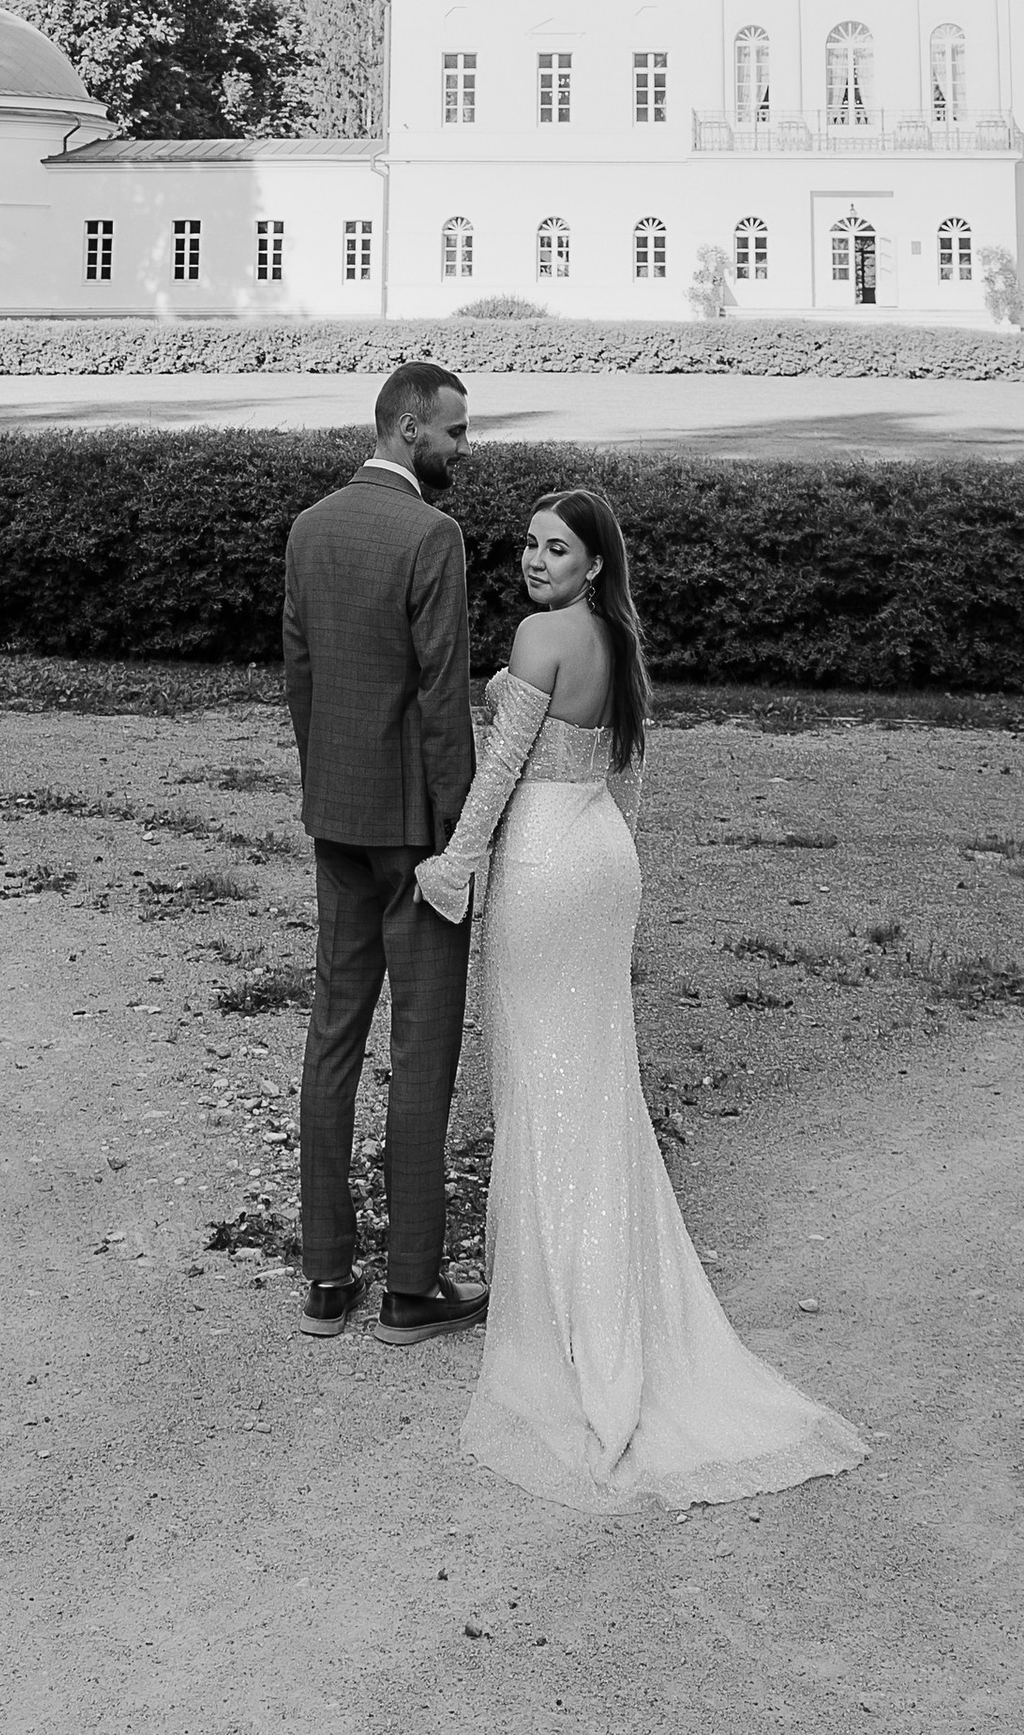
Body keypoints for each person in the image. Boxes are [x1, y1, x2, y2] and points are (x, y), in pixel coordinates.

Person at [415, 486, 867, 1509]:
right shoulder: (619, 641)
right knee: (595, 1076)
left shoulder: (541, 637)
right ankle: (607, 1279)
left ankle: (566, 1309)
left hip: (544, 859)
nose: (535, 561)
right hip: (602, 856)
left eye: (557, 549)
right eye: (530, 546)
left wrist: (453, 866)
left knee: (542, 1074)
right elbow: (626, 775)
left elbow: (499, 773)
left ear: (593, 564)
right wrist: (619, 860)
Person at [281, 359, 488, 1343]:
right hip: (416, 833)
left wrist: (327, 783)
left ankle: (326, 1277)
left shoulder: (310, 528)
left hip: (339, 817)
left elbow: (300, 675)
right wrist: (464, 836)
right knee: (421, 1046)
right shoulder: (431, 536)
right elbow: (444, 699)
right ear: (410, 427)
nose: (463, 447)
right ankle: (410, 1286)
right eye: (455, 430)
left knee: (333, 1033)